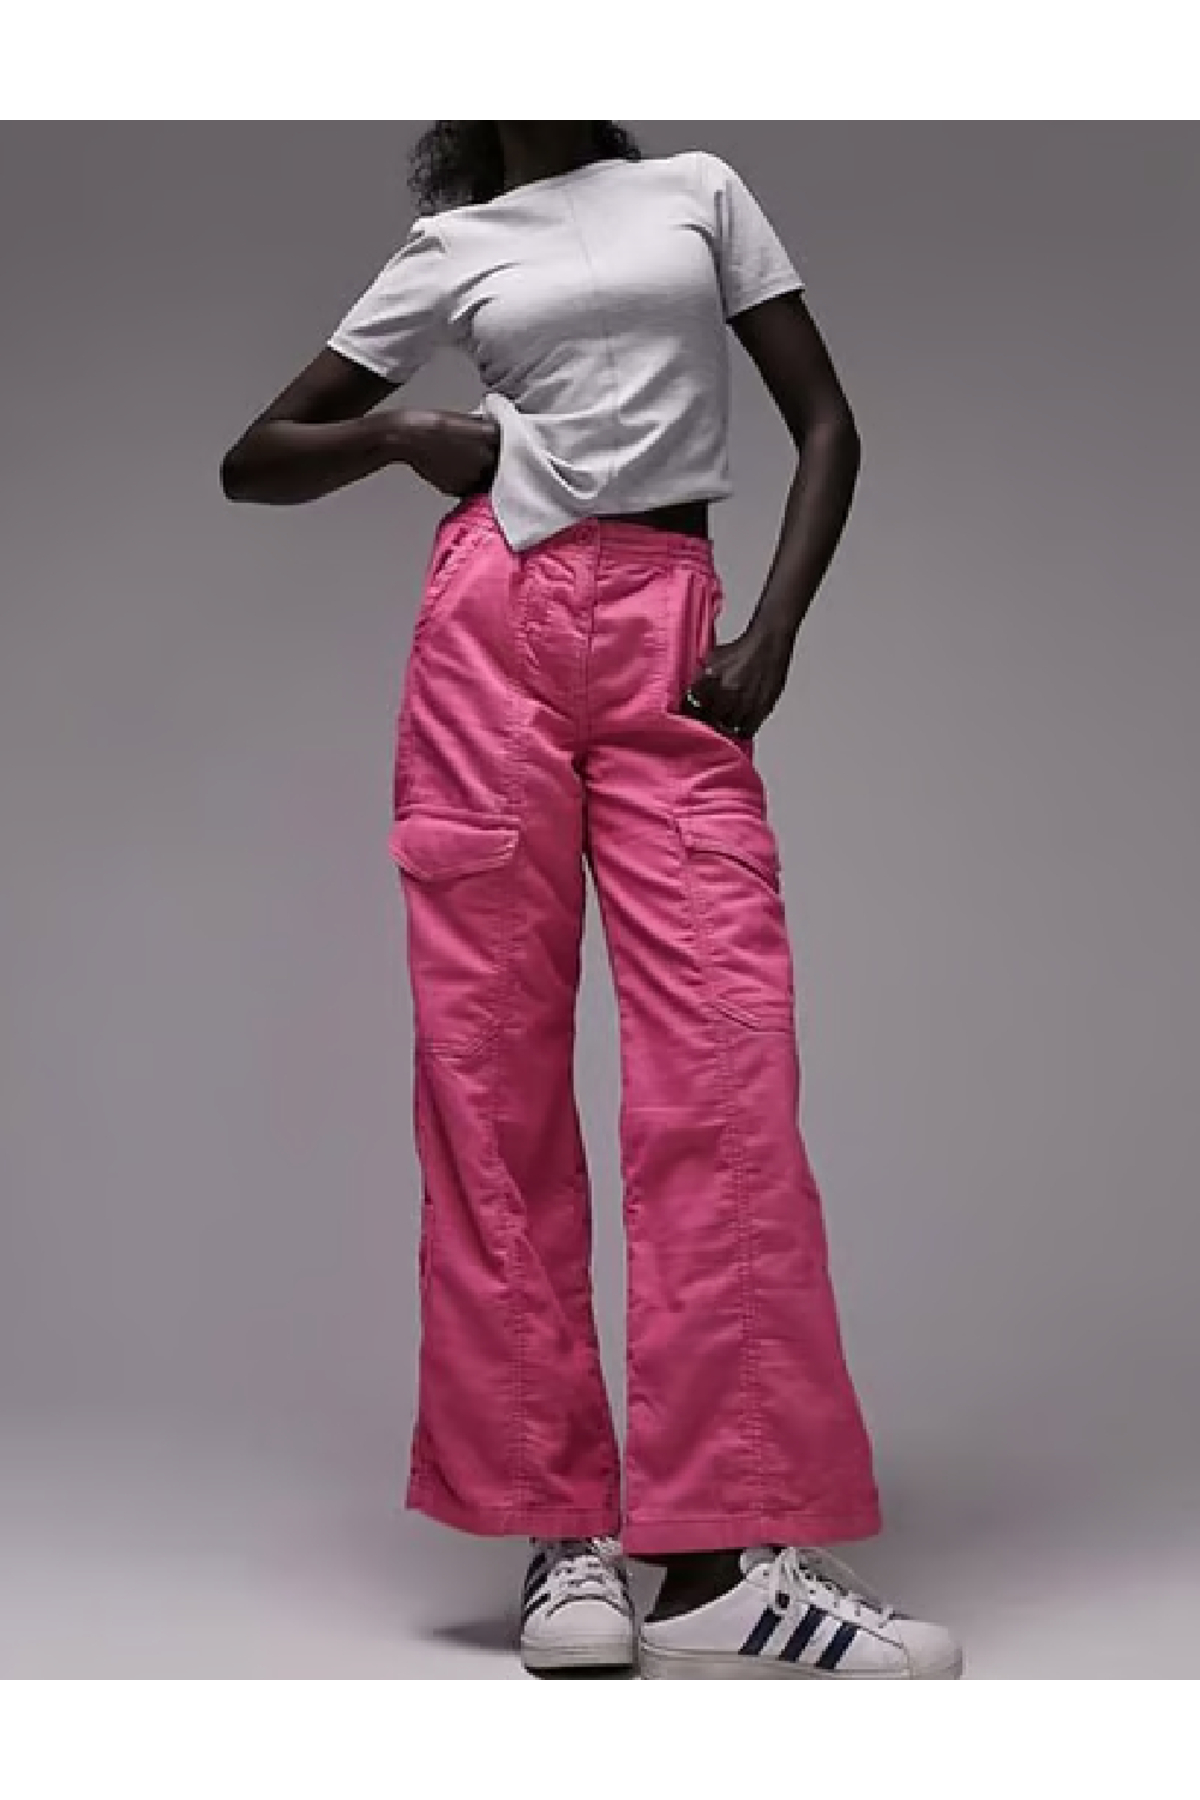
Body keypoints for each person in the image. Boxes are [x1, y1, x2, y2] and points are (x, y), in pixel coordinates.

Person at [221, 120, 964, 1681]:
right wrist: (407, 434)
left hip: (670, 626)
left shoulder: (695, 193)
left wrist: (773, 633)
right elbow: (256, 458)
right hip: (488, 630)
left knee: (726, 1064)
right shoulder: (453, 248)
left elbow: (827, 424)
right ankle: (560, 1531)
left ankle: (719, 1556)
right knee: (489, 1081)